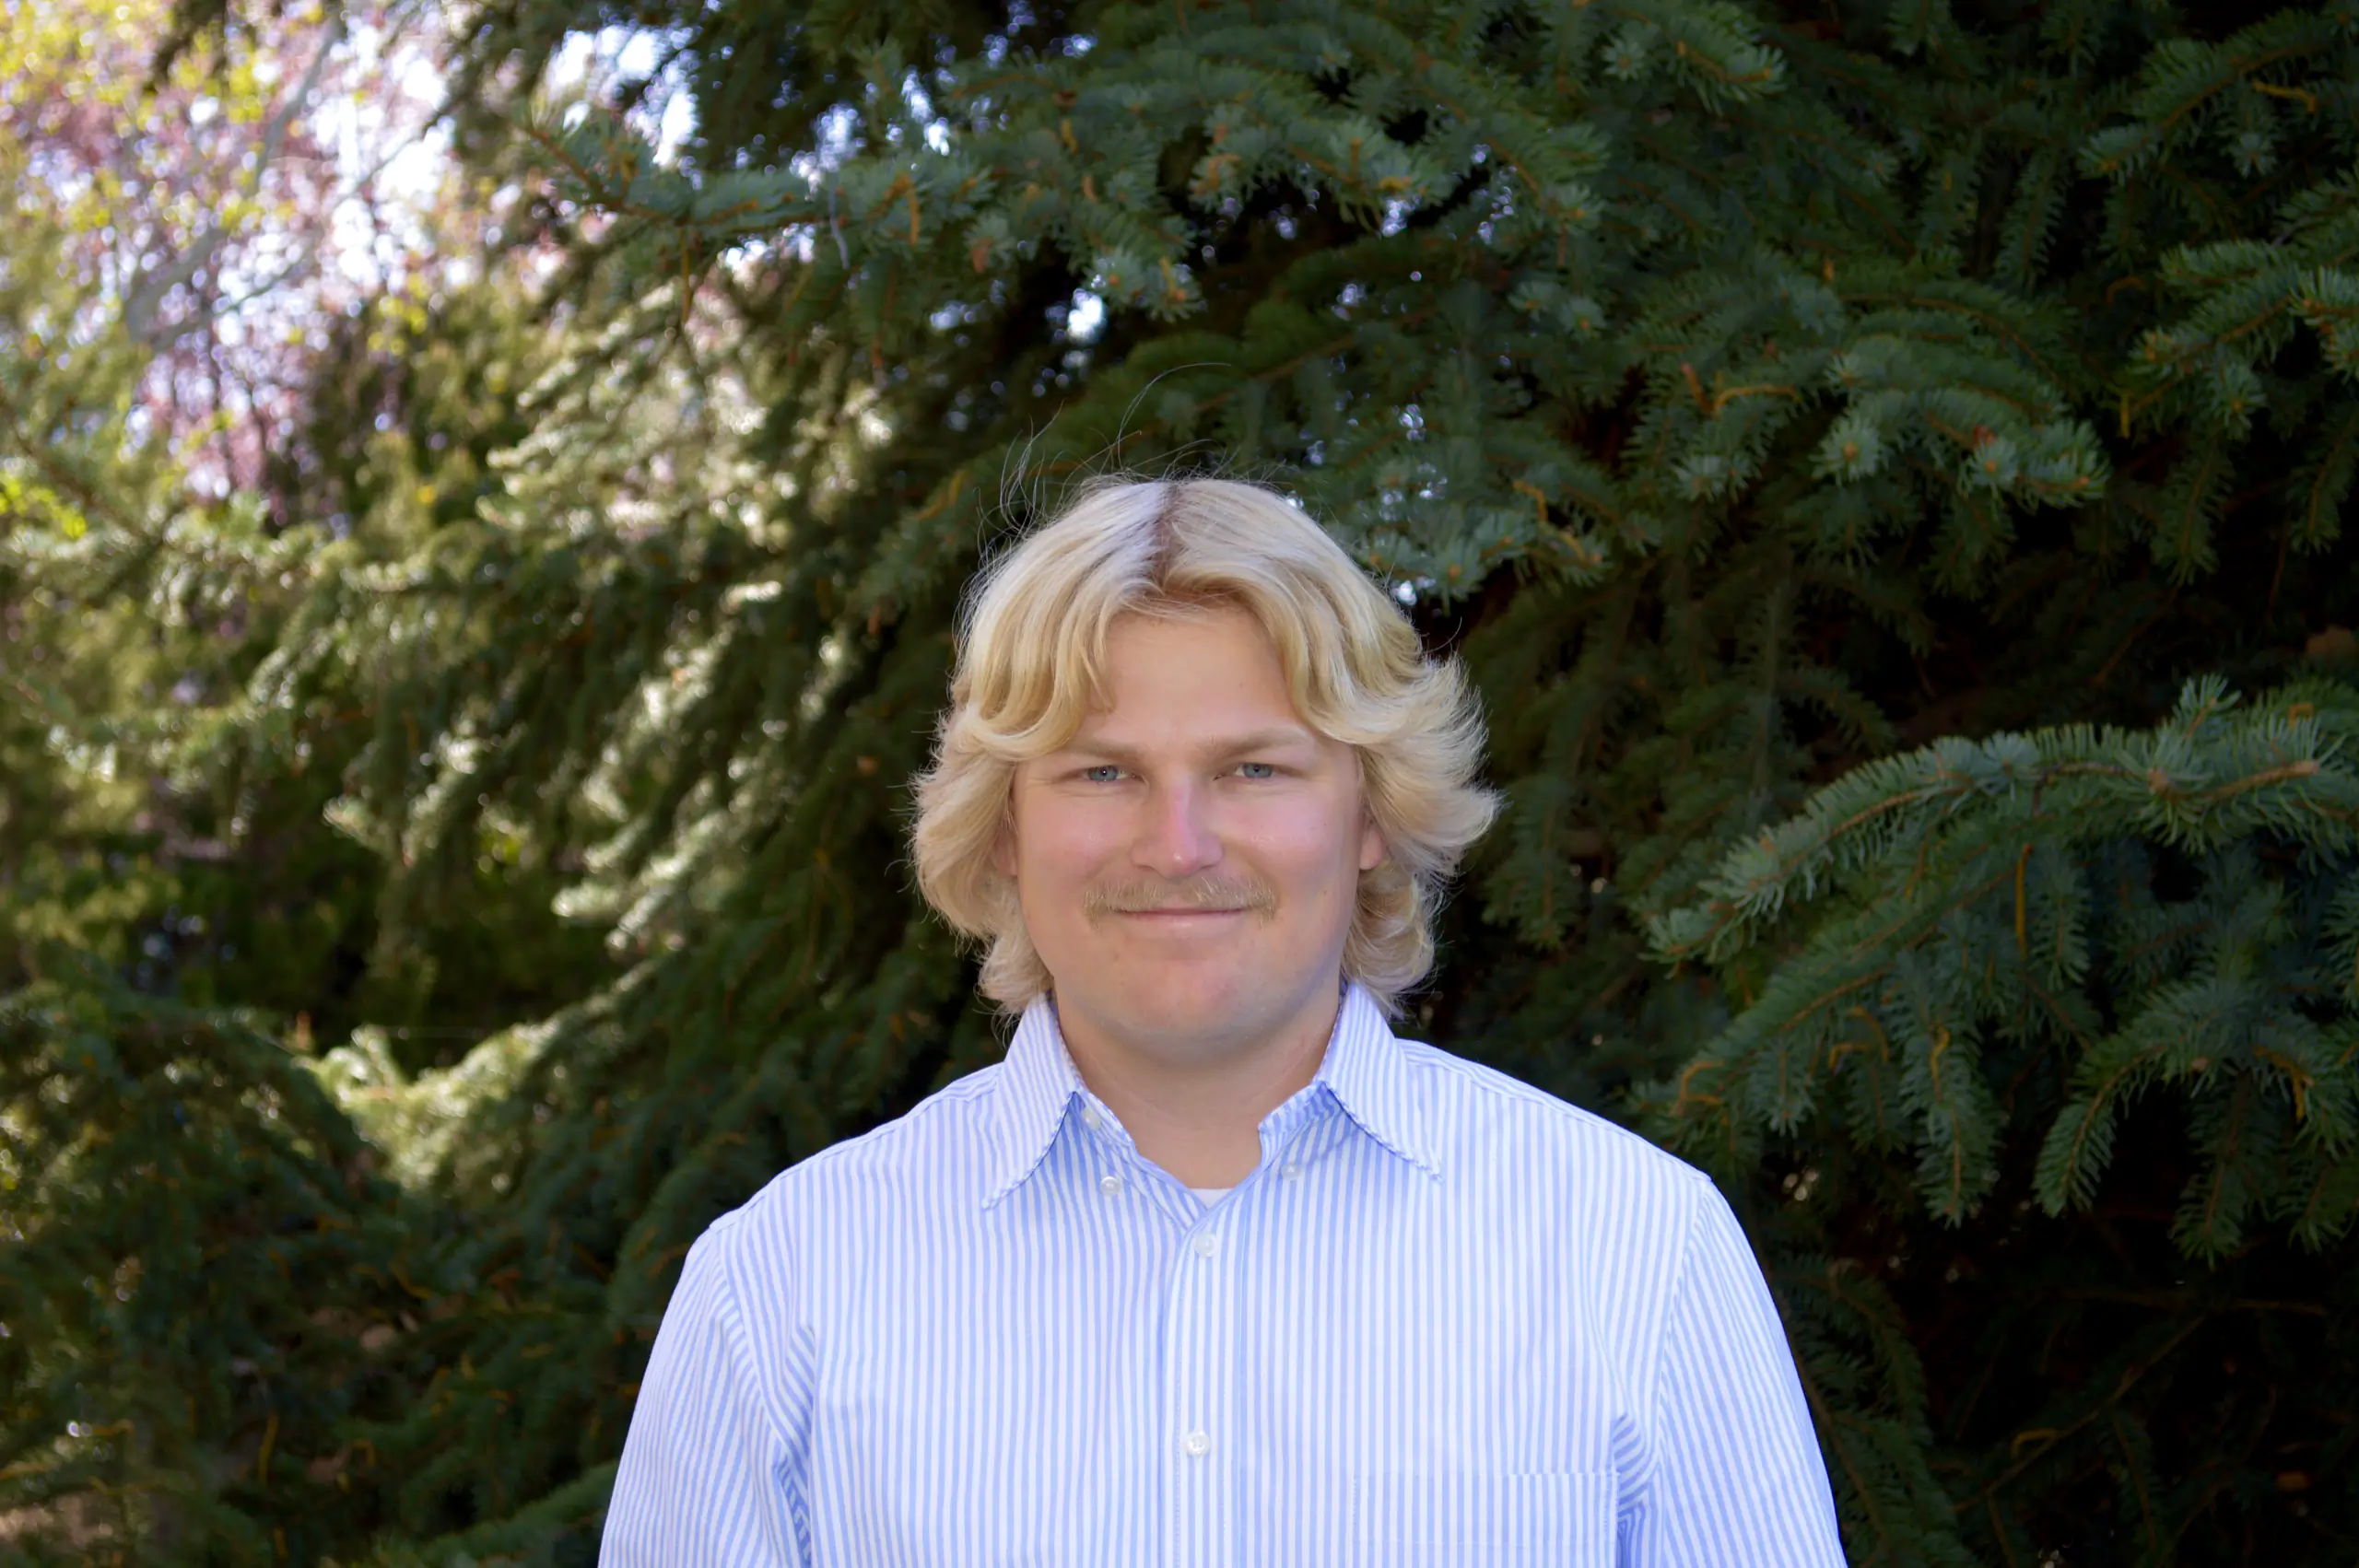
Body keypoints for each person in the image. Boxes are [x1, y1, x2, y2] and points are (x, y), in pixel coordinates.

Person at [600, 476, 1848, 1565]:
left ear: (1368, 813)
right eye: (1103, 771)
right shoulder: (779, 1292)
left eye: (1254, 768)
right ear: (1007, 824)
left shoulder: (1636, 1254)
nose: (1177, 844)